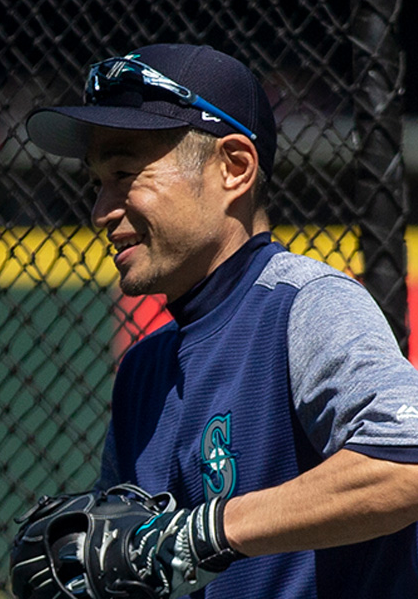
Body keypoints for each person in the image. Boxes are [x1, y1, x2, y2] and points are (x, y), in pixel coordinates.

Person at [21, 43, 418, 598]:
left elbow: (405, 463)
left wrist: (207, 531)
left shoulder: (305, 302)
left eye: (125, 172)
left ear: (234, 168)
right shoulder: (144, 369)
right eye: (97, 183)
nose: (101, 210)